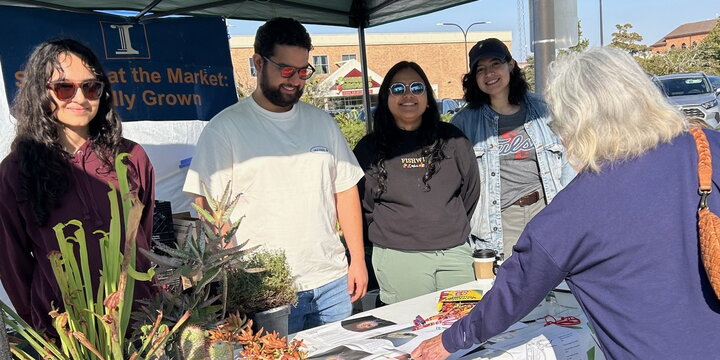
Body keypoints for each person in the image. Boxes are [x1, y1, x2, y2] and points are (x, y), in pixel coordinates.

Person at [411, 47, 720, 359]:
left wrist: (449, 340)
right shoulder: (707, 146)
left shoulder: (573, 212)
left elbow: (515, 291)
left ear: (576, 119)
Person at [183, 17, 367, 333]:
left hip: (332, 281)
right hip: (268, 294)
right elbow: (207, 207)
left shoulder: (322, 122)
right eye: (286, 70)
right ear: (258, 62)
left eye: (302, 71)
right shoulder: (225, 129)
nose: (294, 80)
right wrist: (241, 280)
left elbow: (345, 191)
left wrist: (358, 260)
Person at [0, 38, 155, 333]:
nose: (80, 98)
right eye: (64, 87)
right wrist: (46, 329)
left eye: (91, 86)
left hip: (141, 322)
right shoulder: (15, 173)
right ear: (40, 93)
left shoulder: (131, 157)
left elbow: (142, 237)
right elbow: (13, 265)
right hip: (71, 333)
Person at [353, 61, 480, 304]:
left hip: (455, 254)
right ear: (386, 98)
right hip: (400, 257)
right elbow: (363, 206)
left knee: (463, 329)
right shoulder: (368, 149)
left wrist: (444, 225)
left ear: (428, 97)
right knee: (412, 330)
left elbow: (470, 192)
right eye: (398, 89)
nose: (408, 95)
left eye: (417, 88)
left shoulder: (453, 139)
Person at [451, 38, 575, 259]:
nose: (489, 74)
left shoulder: (543, 108)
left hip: (545, 209)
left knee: (553, 285)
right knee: (514, 285)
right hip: (502, 219)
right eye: (481, 69)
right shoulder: (465, 122)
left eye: (495, 64)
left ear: (510, 65)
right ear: (474, 77)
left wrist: (566, 212)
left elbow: (568, 160)